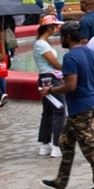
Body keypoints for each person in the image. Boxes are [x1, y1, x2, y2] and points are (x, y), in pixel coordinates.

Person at [40, 23, 94, 189]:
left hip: (80, 105)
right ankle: (61, 181)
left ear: (68, 37)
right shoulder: (89, 53)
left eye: (62, 36)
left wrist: (50, 90)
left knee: (89, 145)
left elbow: (71, 86)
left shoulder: (70, 57)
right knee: (65, 141)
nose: (60, 39)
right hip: (90, 101)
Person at [32, 15, 64, 158]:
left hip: (46, 78)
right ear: (49, 27)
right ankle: (57, 145)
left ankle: (45, 144)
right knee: (59, 110)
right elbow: (53, 62)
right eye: (55, 26)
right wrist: (67, 69)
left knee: (48, 112)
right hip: (50, 78)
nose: (57, 28)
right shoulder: (41, 44)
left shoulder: (42, 43)